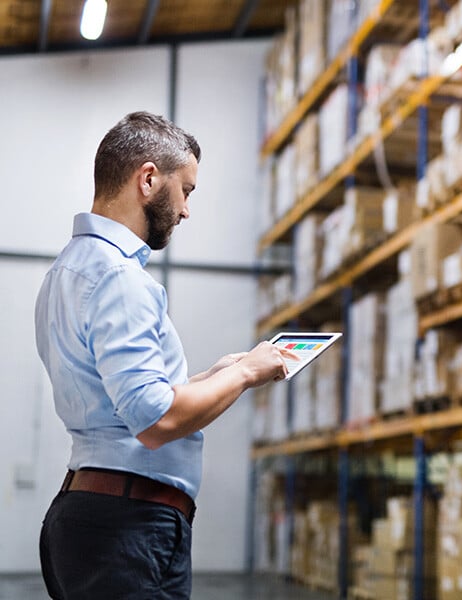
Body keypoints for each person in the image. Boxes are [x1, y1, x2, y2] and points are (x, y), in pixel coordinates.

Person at [34, 111, 297, 599]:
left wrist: (209, 377)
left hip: (90, 518)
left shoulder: (66, 272)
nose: (186, 210)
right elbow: (154, 420)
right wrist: (244, 374)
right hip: (129, 531)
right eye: (187, 190)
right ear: (149, 179)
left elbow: (119, 400)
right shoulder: (119, 277)